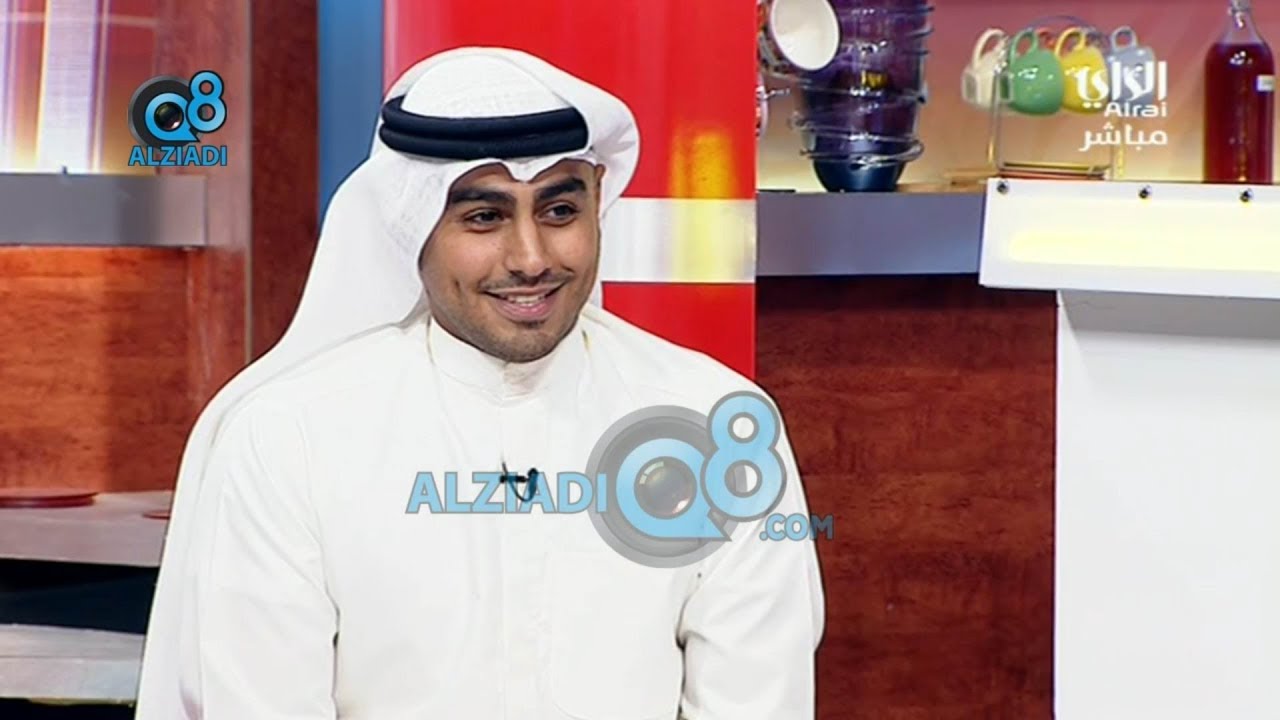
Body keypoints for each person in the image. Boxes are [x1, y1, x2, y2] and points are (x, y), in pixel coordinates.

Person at [134, 46, 825, 719]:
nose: (530, 258)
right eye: (484, 217)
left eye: (559, 211)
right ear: (413, 224)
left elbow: (757, 699)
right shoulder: (290, 438)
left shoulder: (714, 424)